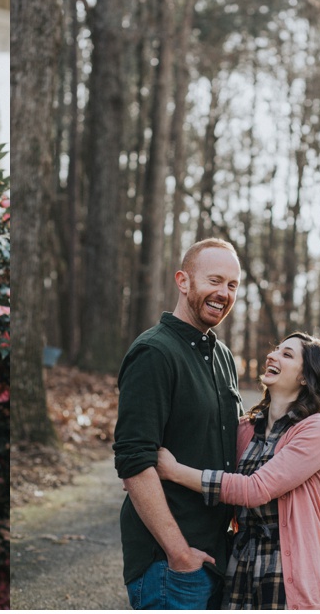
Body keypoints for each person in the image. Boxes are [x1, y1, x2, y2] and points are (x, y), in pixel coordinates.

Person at [156, 332, 320, 609]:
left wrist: (172, 471)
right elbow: (210, 464)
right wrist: (146, 470)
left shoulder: (316, 429)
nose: (272, 355)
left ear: (306, 376)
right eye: (275, 349)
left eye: (287, 354)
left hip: (288, 574)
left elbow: (254, 489)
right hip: (240, 565)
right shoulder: (245, 428)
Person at [113, 238, 244, 610]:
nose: (223, 293)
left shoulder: (223, 357)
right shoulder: (154, 352)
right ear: (183, 281)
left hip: (217, 556)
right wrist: (178, 552)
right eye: (214, 280)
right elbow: (133, 460)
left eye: (232, 285)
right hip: (169, 565)